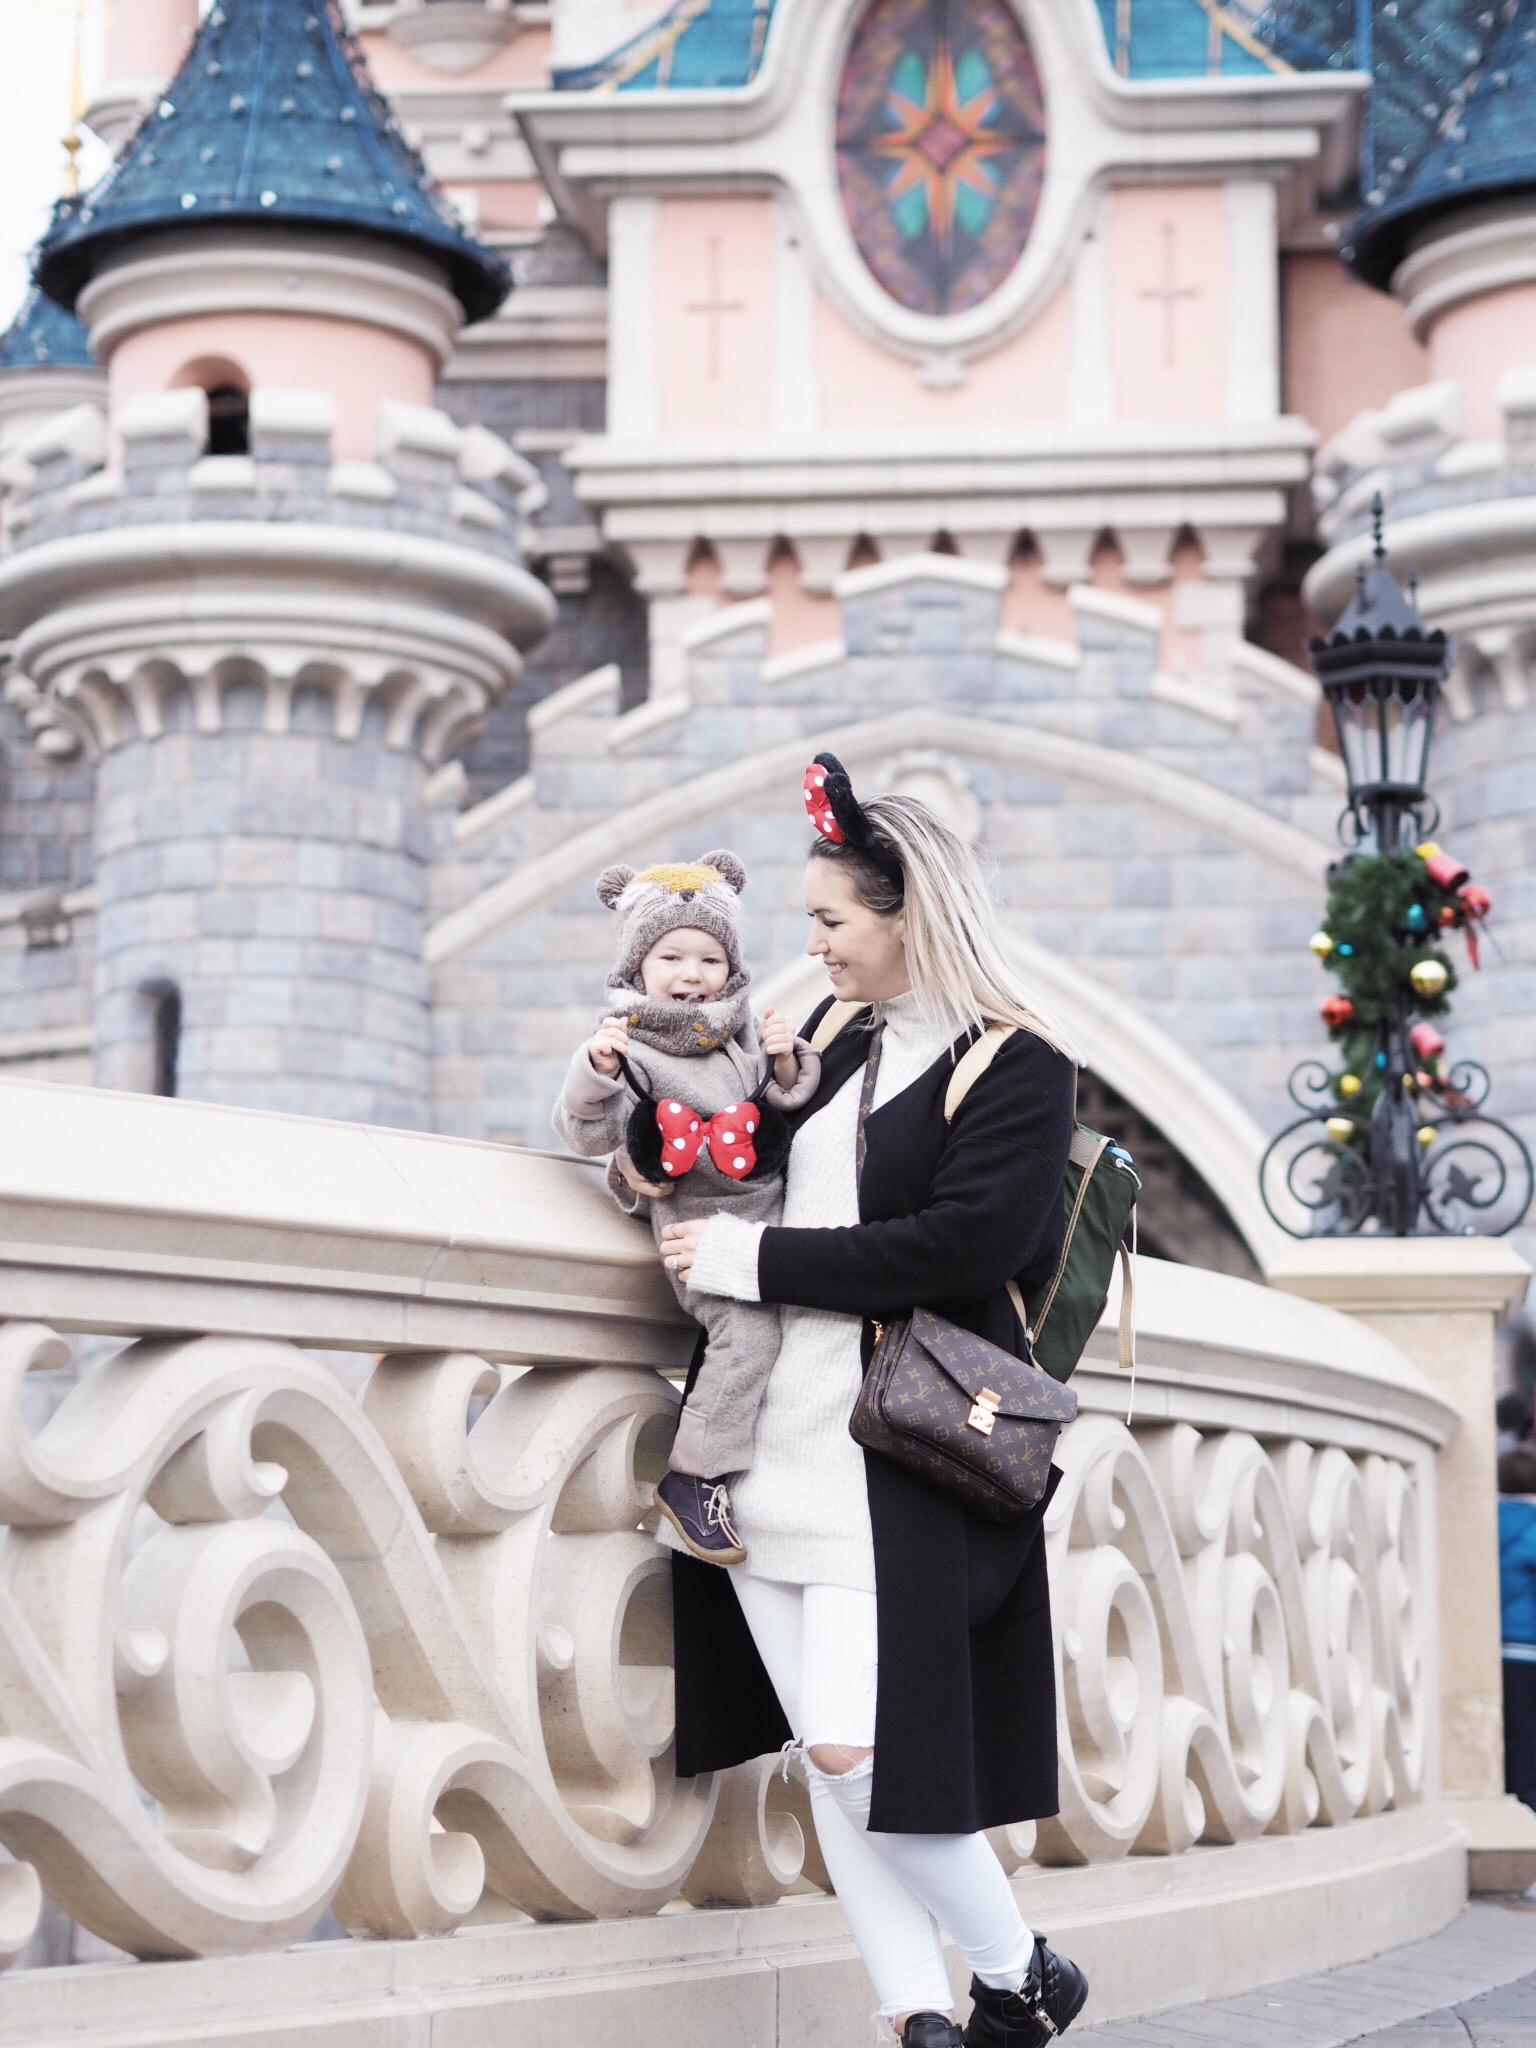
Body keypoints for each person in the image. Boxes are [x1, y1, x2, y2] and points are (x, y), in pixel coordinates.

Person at [647, 755, 1089, 2048]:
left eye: (833, 922)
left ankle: (1021, 1968)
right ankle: (918, 2019)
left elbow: (963, 1247)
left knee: (855, 1752)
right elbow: (738, 1159)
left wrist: (751, 1261)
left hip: (891, 1459)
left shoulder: (1020, 1068)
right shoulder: (832, 1043)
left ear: (909, 918)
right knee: (827, 1775)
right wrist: (646, 1081)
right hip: (757, 1446)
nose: (814, 946)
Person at [552, 849, 820, 1565]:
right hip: (699, 1234)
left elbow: (785, 1109)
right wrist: (595, 1074)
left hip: (771, 1223)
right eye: (671, 956)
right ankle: (695, 1476)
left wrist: (787, 1060)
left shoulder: (738, 1043)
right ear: (638, 968)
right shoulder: (629, 1047)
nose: (691, 974)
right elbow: (587, 1134)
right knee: (747, 1334)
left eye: (708, 958)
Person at [1499, 1439, 1536, 1812]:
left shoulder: (1483, 1522)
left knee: (1509, 1745)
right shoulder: (1533, 1526)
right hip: (1529, 1651)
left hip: (1493, 1651)